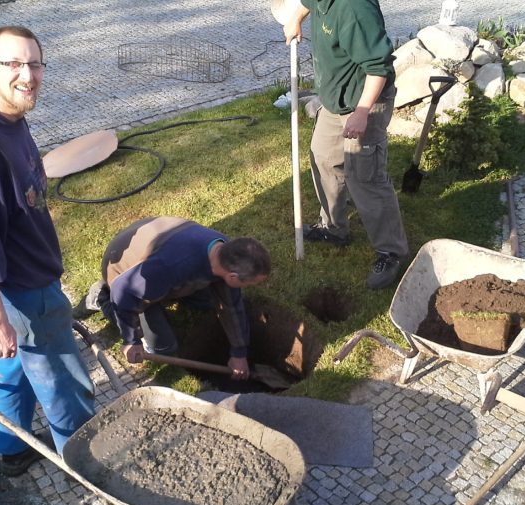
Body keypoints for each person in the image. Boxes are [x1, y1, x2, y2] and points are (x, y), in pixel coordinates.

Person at [0, 26, 95, 477]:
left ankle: (11, 450)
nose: (27, 75)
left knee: (10, 370)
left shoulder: (6, 113)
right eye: (14, 64)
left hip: (22, 279)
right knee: (65, 384)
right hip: (25, 290)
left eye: (34, 64)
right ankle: (91, 466)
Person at [283, 0, 409, 289]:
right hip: (334, 101)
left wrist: (363, 111)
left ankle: (391, 252)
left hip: (365, 102)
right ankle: (334, 227)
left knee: (366, 178)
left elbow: (378, 66)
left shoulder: (355, 8)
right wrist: (296, 19)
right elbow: (306, 3)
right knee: (324, 157)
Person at [86, 216, 270, 380]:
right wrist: (130, 340)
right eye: (250, 284)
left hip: (156, 249)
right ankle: (101, 296)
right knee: (163, 348)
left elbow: (231, 306)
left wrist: (239, 353)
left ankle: (164, 293)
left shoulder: (225, 253)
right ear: (233, 276)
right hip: (125, 273)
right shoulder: (171, 266)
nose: (250, 287)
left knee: (207, 302)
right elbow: (123, 290)